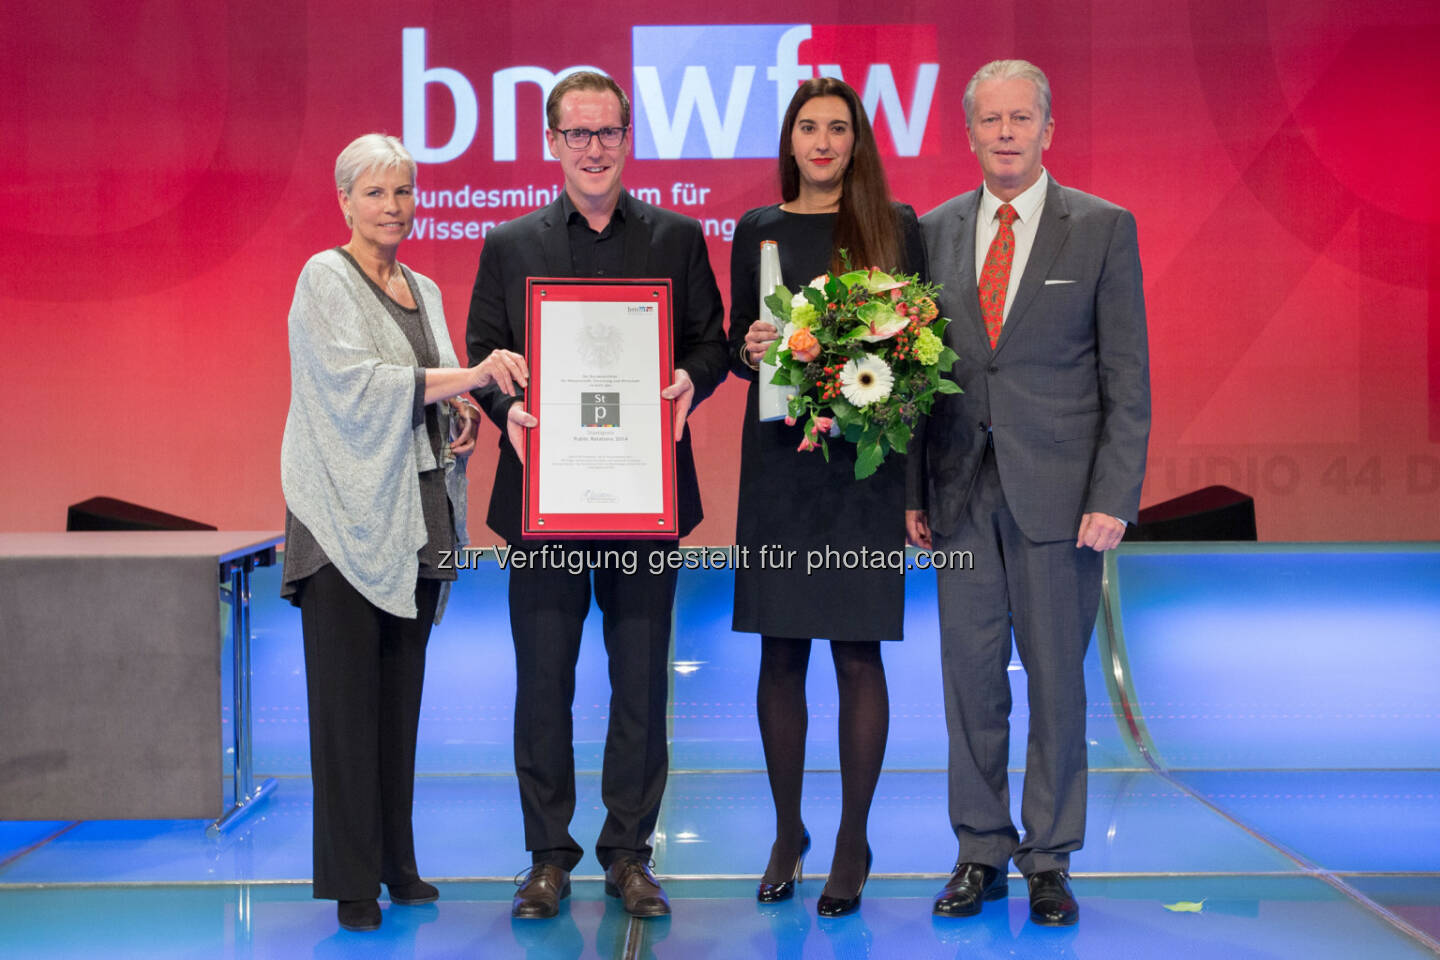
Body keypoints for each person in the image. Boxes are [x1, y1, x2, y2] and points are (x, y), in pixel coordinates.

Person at [465, 72, 728, 920]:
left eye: (607, 132)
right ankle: (547, 856)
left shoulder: (678, 238)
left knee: (640, 681)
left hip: (643, 499)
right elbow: (485, 352)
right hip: (544, 499)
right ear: (551, 143)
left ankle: (628, 853)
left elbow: (711, 346)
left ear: (628, 138)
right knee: (543, 682)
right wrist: (505, 409)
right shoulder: (510, 246)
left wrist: (690, 379)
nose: (592, 148)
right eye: (576, 134)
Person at [906, 60, 1150, 927]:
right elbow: (908, 381)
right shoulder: (930, 232)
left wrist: (1114, 493)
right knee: (970, 684)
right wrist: (912, 491)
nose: (1005, 134)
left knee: (1055, 685)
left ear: (1049, 130)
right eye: (990, 120)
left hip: (1062, 500)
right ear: (967, 133)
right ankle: (981, 850)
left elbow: (1128, 377)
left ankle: (1050, 858)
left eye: (1021, 119)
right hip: (959, 495)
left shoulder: (1103, 228)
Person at [280, 133, 527, 933]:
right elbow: (360, 386)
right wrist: (475, 376)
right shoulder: (325, 277)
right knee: (346, 710)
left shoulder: (422, 284)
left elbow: (437, 384)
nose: (394, 207)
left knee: (399, 702)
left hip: (417, 522)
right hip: (344, 523)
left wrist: (460, 412)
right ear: (345, 200)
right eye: (377, 193)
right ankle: (352, 880)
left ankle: (398, 862)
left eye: (406, 192)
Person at [730, 77, 925, 918]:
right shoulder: (758, 229)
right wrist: (751, 345)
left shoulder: (894, 227)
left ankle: (853, 839)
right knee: (780, 651)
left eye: (837, 128)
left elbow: (919, 363)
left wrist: (913, 488)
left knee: (855, 654)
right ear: (790, 139)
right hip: (780, 461)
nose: (821, 141)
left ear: (857, 141)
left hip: (862, 473)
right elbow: (743, 348)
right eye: (807, 127)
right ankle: (787, 831)